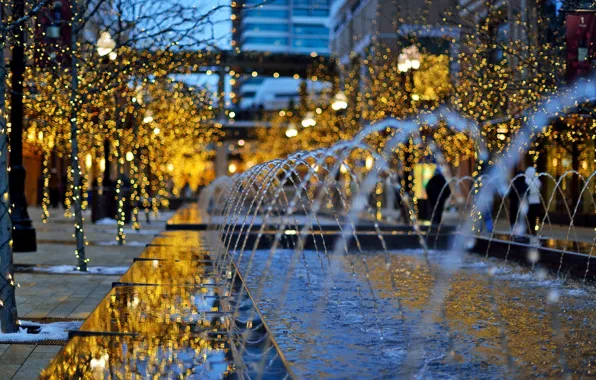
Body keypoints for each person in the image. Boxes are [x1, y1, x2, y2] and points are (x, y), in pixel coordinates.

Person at [525, 166, 542, 235]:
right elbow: (540, 188)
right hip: (536, 202)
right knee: (534, 218)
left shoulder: (526, 180)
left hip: (529, 202)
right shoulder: (537, 181)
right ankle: (534, 230)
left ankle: (528, 229)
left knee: (528, 217)